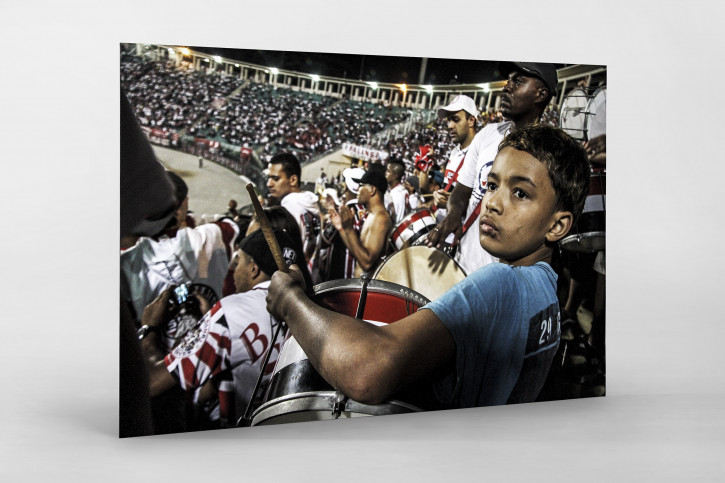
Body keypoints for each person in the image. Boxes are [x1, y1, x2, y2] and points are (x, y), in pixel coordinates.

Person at [266, 124, 590, 408]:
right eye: (492, 185)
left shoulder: (499, 282)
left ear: (558, 226)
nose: (492, 202)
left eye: (520, 193)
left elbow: (368, 370)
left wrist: (291, 301)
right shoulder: (547, 289)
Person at [139, 228, 303, 428]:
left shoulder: (231, 313)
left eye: (238, 261)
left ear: (254, 269)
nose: (233, 270)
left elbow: (149, 383)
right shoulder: (309, 306)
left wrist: (149, 327)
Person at [428, 62, 559, 275]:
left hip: (505, 278)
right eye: (508, 81)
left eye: (518, 81)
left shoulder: (551, 154)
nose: (506, 88)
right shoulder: (488, 134)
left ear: (540, 94)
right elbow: (462, 190)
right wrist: (453, 213)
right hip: (463, 265)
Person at [120, 171, 239, 326]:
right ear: (183, 205)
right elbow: (230, 226)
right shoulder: (209, 236)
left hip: (158, 348)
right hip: (210, 341)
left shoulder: (125, 262)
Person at [328, 163, 392, 278]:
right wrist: (342, 229)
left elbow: (367, 263)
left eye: (361, 185)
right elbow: (357, 252)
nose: (357, 189)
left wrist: (348, 229)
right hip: (360, 286)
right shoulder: (371, 215)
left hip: (367, 289)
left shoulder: (381, 218)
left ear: (372, 190)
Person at [432, 95, 480, 222]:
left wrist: (453, 205)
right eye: (449, 120)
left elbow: (481, 205)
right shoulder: (454, 152)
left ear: (471, 120)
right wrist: (438, 196)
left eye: (456, 119)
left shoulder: (481, 156)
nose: (450, 125)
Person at [315, 167, 368, 281]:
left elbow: (323, 241)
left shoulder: (342, 213)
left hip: (340, 279)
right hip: (361, 279)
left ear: (346, 187)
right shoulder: (369, 212)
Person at [266, 152, 319, 261]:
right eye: (269, 178)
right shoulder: (309, 202)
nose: (269, 184)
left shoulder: (289, 208)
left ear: (293, 180)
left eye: (275, 178)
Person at [383, 158, 409, 224]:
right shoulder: (401, 191)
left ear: (395, 176)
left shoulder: (397, 194)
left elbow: (398, 221)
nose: (385, 173)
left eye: (388, 171)